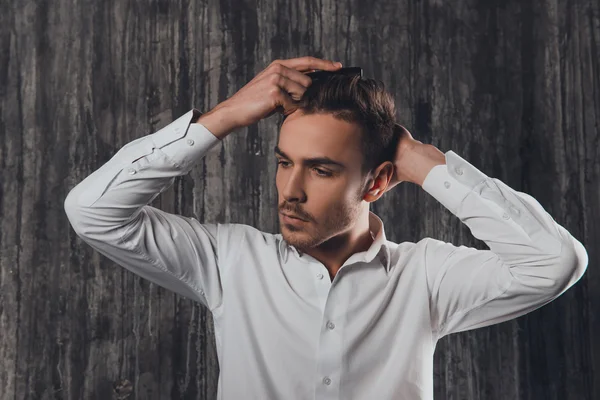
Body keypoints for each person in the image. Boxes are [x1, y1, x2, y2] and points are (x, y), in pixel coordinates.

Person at [64, 56, 588, 399]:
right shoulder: (231, 262)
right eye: (283, 161)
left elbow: (555, 261)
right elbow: (92, 211)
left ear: (379, 182)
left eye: (321, 169)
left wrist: (423, 162)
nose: (289, 190)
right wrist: (224, 116)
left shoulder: (424, 278)